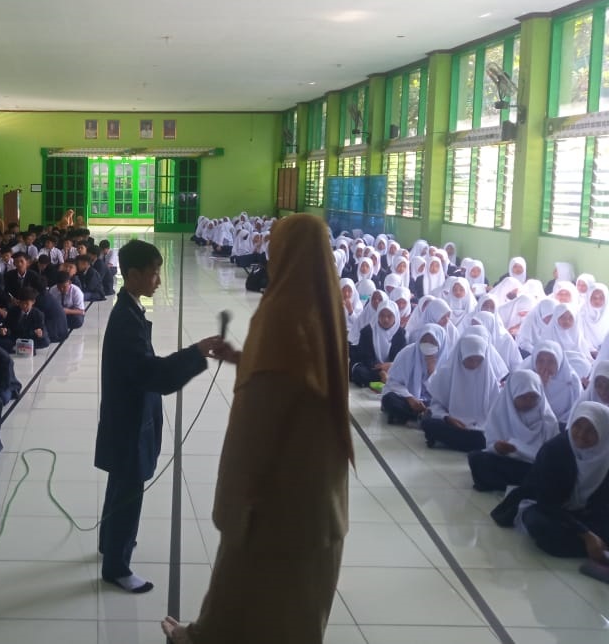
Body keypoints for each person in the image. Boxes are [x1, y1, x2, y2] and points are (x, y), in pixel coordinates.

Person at [162, 214, 350, 643]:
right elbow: (296, 376)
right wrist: (243, 359)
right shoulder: (326, 309)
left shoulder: (281, 311)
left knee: (243, 583)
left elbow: (263, 407)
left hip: (276, 493)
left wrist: (237, 494)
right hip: (320, 493)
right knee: (301, 603)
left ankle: (200, 639)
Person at [96, 239, 231, 596]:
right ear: (133, 275)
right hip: (128, 420)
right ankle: (117, 567)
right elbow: (152, 374)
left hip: (127, 414)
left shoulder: (130, 309)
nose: (159, 280)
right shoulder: (126, 321)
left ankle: (110, 542)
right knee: (128, 491)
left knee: (120, 483)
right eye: (154, 273)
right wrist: (195, 354)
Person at [491, 401, 609, 565]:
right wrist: (587, 534)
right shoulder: (555, 450)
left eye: (591, 430)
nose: (581, 434)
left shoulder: (605, 457)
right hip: (546, 508)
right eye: (578, 426)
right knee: (540, 525)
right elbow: (547, 503)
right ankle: (594, 546)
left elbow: (603, 505)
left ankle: (588, 546)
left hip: (585, 514)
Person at [468, 369, 559, 492]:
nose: (529, 401)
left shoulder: (548, 420)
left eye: (534, 397)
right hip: (509, 462)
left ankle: (515, 486)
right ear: (512, 395)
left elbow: (552, 455)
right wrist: (498, 448)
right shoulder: (499, 413)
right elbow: (491, 444)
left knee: (550, 476)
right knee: (477, 458)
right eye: (523, 397)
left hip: (534, 467)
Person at [421, 335, 500, 452]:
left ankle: (461, 442)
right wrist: (447, 418)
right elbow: (436, 405)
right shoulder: (446, 373)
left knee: (489, 436)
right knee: (428, 422)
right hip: (452, 424)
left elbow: (496, 411)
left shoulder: (489, 377)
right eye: (470, 359)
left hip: (479, 429)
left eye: (479, 360)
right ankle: (471, 443)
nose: (474, 364)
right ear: (461, 355)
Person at [380, 323, 446, 426]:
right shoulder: (407, 353)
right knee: (389, 399)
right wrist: (409, 398)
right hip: (407, 399)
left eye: (433, 341)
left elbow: (443, 394)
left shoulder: (446, 360)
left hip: (430, 402)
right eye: (424, 340)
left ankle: (410, 417)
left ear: (441, 342)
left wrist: (432, 372)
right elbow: (393, 382)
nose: (428, 344)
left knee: (444, 409)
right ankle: (421, 418)